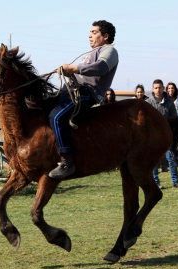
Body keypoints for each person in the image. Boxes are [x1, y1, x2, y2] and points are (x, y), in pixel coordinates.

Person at [48, 20, 119, 179]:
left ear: (106, 36)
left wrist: (73, 68)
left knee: (57, 117)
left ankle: (68, 162)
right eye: (90, 32)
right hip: (73, 89)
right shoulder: (91, 53)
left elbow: (100, 68)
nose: (89, 35)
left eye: (94, 32)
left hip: (87, 92)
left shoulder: (109, 50)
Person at [146, 79, 178, 189]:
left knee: (172, 158)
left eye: (160, 87)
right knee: (154, 160)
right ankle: (155, 182)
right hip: (154, 137)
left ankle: (176, 181)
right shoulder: (149, 103)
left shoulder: (169, 102)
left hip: (168, 135)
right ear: (152, 89)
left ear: (163, 88)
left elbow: (174, 119)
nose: (158, 90)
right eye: (156, 88)